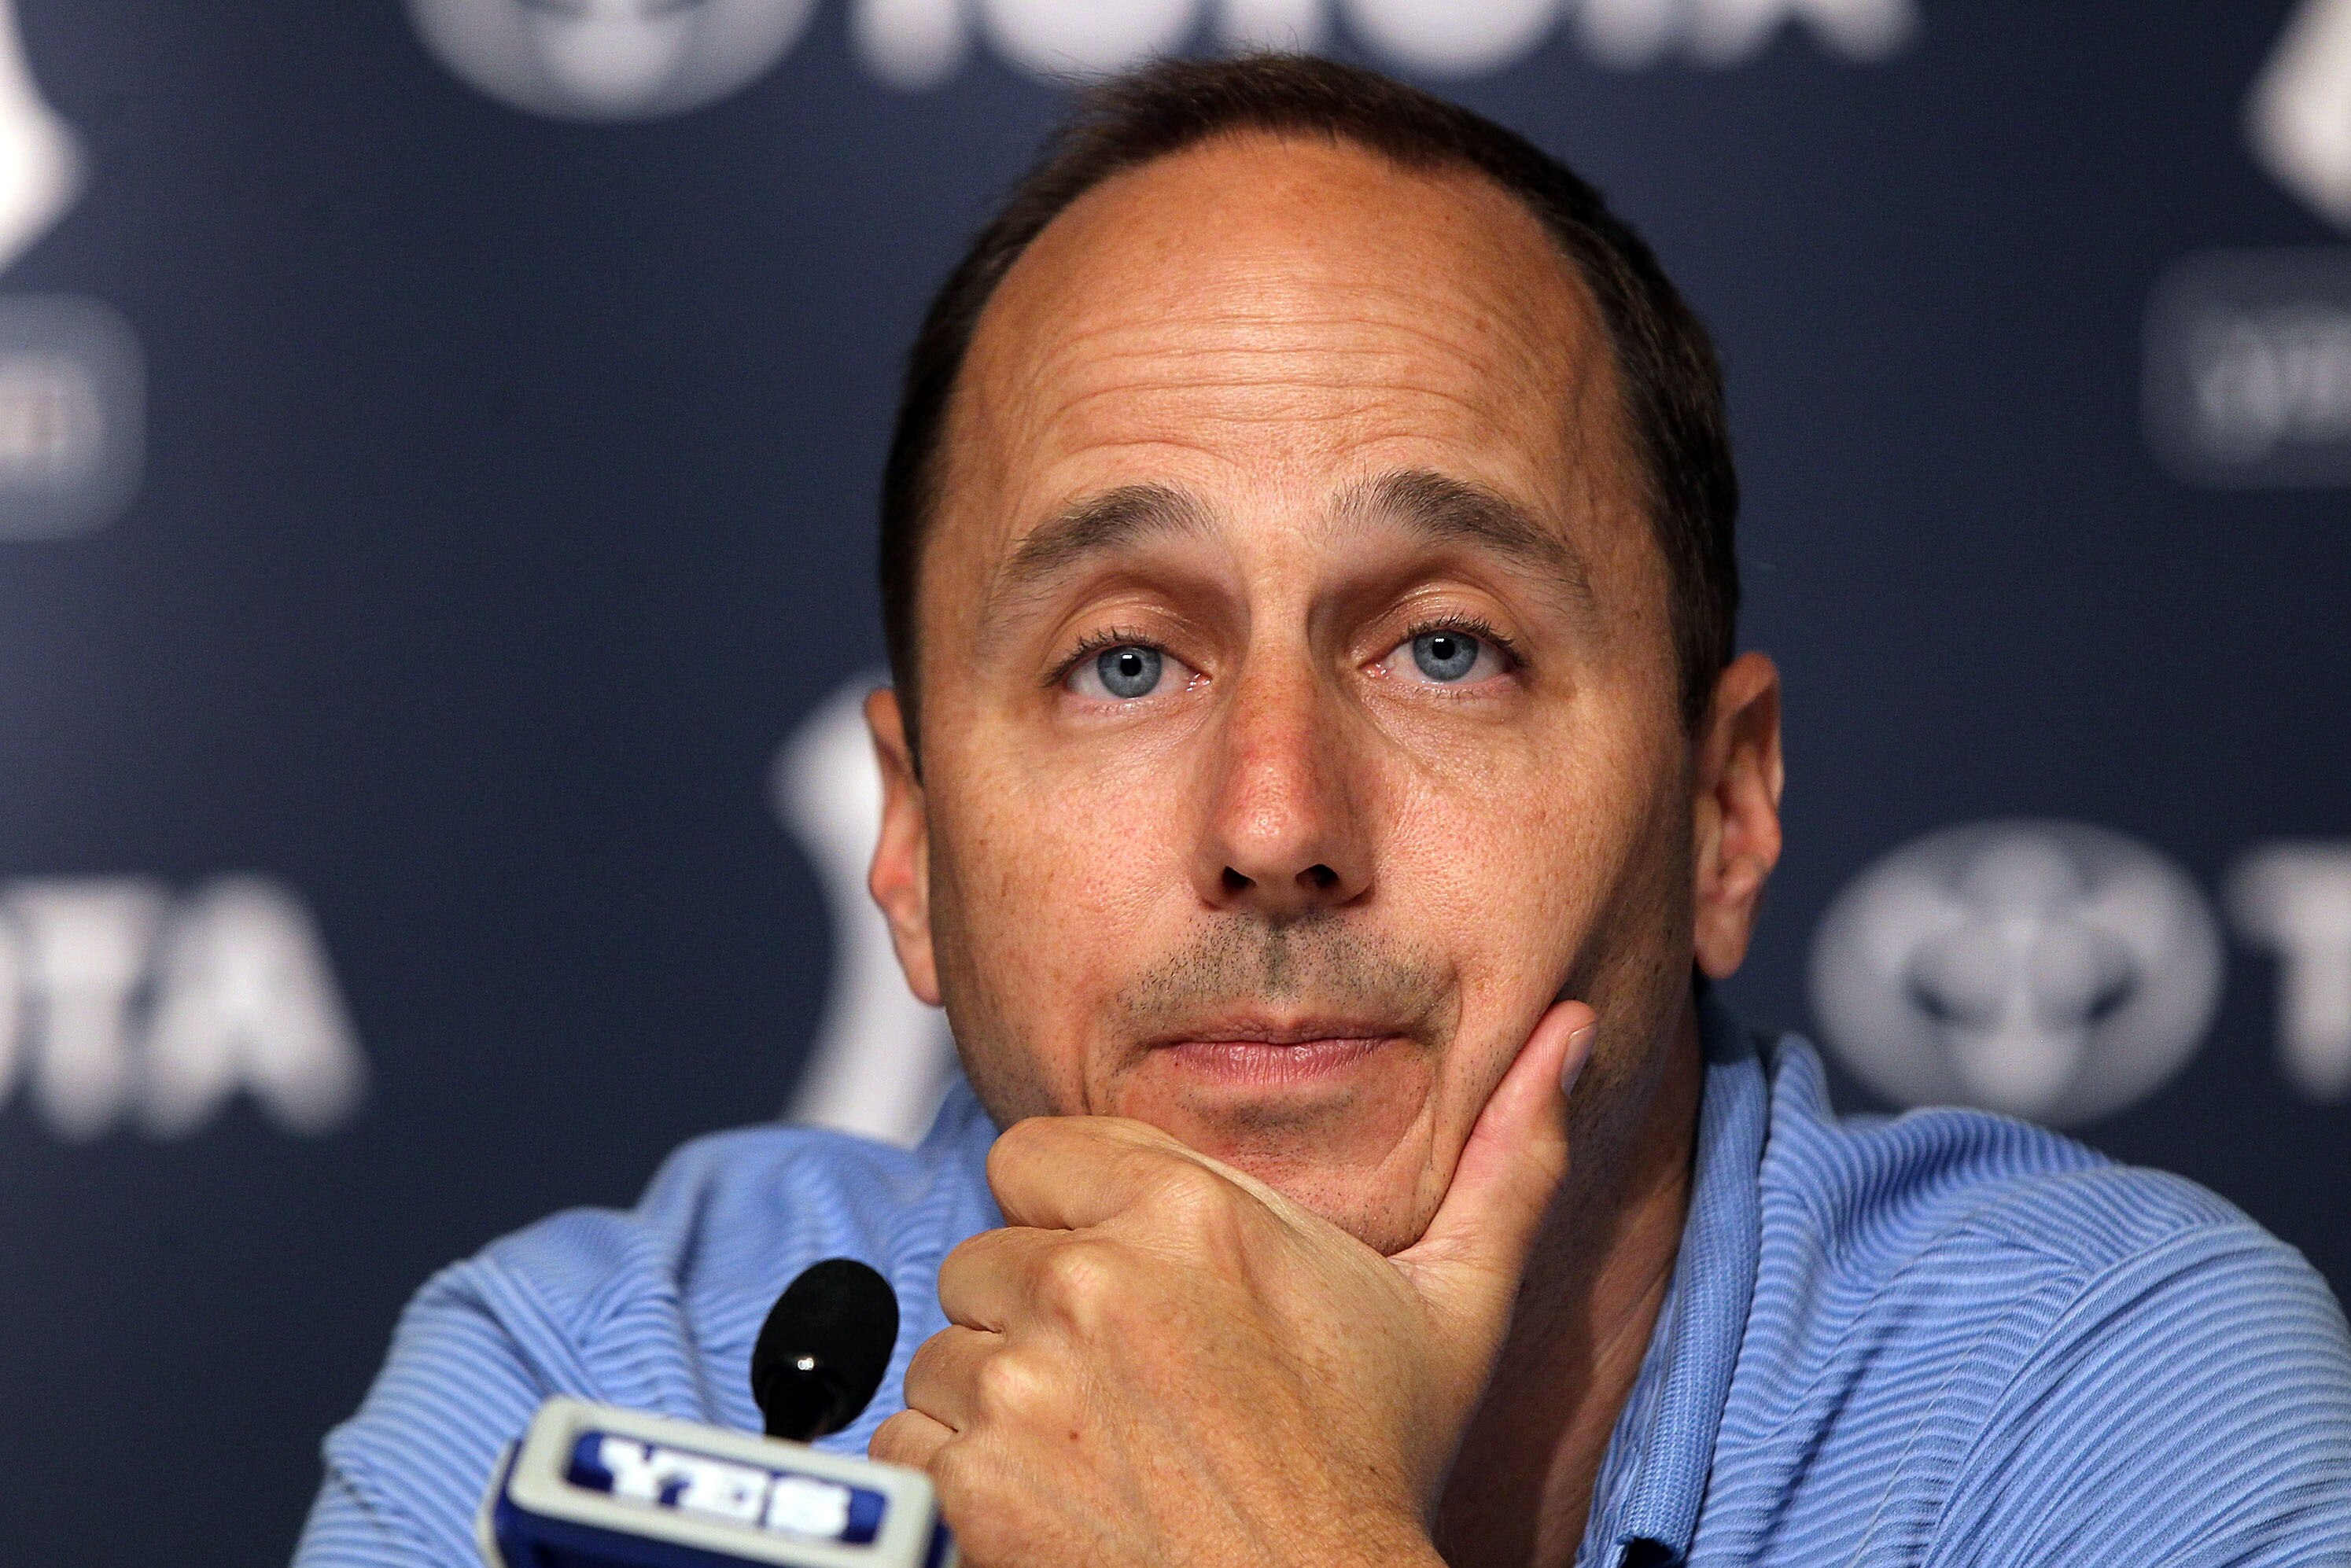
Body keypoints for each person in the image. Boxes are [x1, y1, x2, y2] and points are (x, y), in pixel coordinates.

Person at [294, 54, 2351, 1568]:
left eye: (1443, 647)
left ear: (1722, 813)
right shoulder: (592, 1388)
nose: (1276, 820)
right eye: (1125, 660)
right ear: (909, 847)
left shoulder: (2104, 1411)